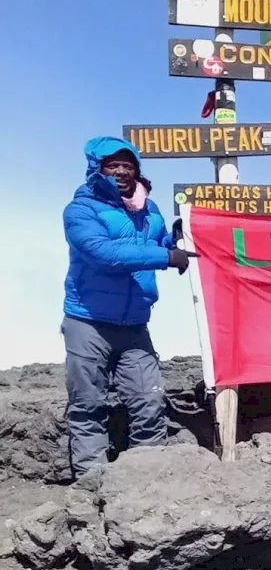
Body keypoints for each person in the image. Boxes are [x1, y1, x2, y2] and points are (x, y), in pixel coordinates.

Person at [62, 136, 189, 479]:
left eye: (128, 165)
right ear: (97, 169)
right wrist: (166, 257)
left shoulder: (150, 209)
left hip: (135, 324)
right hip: (87, 322)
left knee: (149, 400)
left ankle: (146, 481)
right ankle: (92, 485)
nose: (120, 171)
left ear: (137, 170)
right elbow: (104, 253)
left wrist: (177, 238)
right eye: (112, 165)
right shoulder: (81, 209)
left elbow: (161, 242)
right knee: (88, 405)